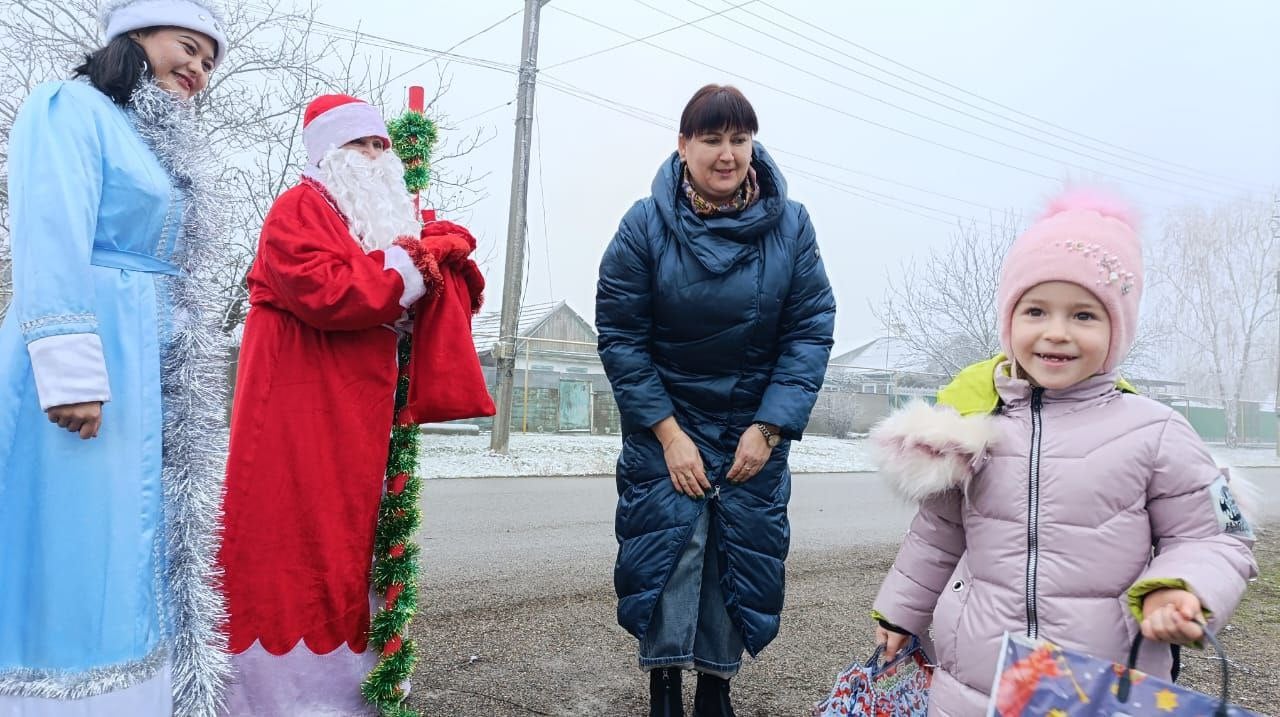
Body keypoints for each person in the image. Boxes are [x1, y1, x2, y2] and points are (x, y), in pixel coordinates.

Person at [870, 191, 1259, 716]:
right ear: (1010, 322)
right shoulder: (978, 428)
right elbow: (939, 534)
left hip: (1101, 686)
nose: (1057, 332)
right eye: (1036, 311)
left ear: (1117, 331)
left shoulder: (1155, 431)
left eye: (1083, 315)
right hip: (973, 685)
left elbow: (1215, 537)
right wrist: (900, 613)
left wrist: (1180, 589)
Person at [0, 2, 232, 715]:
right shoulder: (69, 107)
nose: (196, 68)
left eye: (208, 62)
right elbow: (51, 230)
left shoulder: (145, 137)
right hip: (90, 359)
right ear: (133, 37)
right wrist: (69, 373)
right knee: (79, 545)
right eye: (186, 48)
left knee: (134, 550)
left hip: (147, 371)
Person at [216, 94, 468, 716]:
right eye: (362, 145)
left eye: (382, 145)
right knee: (290, 541)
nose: (378, 156)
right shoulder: (298, 208)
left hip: (357, 415)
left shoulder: (367, 224)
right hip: (295, 414)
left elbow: (395, 293)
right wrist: (415, 261)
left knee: (350, 545)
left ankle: (347, 691)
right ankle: (278, 700)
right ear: (329, 153)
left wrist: (429, 258)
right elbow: (332, 292)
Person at [596, 84, 835, 717]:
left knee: (739, 552)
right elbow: (622, 336)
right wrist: (668, 435)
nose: (726, 154)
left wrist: (771, 427)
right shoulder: (644, 225)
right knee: (671, 553)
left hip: (752, 427)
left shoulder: (792, 225)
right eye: (711, 139)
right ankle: (665, 684)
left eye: (739, 139)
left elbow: (809, 331)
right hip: (665, 423)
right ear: (683, 146)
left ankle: (717, 686)